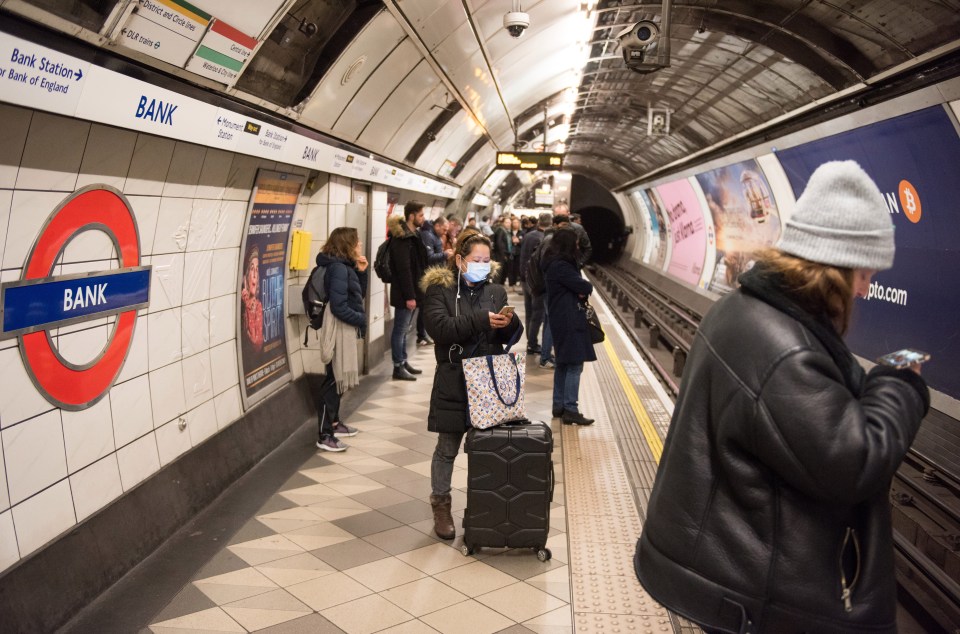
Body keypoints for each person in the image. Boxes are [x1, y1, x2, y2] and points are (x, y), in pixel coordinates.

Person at [634, 161, 930, 633]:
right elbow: (853, 461)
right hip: (757, 592)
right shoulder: (782, 351)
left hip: (722, 568)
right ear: (835, 265)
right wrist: (900, 383)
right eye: (865, 273)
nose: (867, 288)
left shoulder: (740, 308)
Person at [420, 230, 522, 539]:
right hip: (454, 378)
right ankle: (441, 505)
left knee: (486, 449)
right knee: (447, 447)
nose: (482, 265)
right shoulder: (440, 290)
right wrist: (480, 320)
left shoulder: (496, 292)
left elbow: (505, 337)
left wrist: (510, 325)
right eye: (476, 260)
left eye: (487, 260)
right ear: (460, 260)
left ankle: (484, 506)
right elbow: (440, 328)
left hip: (487, 380)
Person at [308, 227, 368, 452]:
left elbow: (357, 295)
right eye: (357, 241)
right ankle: (324, 435)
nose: (360, 245)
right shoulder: (338, 269)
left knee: (336, 379)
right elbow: (340, 306)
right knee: (332, 383)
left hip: (343, 330)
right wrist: (360, 320)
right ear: (347, 245)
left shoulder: (345, 267)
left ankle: (333, 423)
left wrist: (362, 272)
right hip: (338, 331)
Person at [542, 227, 596, 425]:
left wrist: (579, 288)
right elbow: (584, 286)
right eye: (575, 243)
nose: (578, 246)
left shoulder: (554, 262)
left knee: (563, 363)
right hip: (569, 318)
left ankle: (559, 406)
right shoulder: (561, 265)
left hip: (561, 316)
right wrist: (583, 288)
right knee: (574, 363)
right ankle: (570, 409)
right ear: (568, 244)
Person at [388, 201, 429, 381]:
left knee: (404, 329)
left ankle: (403, 362)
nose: (423, 218)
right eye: (420, 215)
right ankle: (398, 367)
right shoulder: (401, 238)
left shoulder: (413, 235)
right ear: (411, 216)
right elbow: (404, 270)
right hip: (404, 294)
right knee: (400, 329)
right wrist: (410, 296)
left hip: (412, 291)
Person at [417, 216, 453, 346]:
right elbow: (429, 257)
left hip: (435, 276)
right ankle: (421, 334)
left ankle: (425, 333)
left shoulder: (434, 235)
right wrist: (445, 255)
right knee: (425, 307)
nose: (445, 232)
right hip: (428, 277)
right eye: (444, 229)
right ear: (437, 226)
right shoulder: (427, 235)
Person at [519, 212, 551, 356]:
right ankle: (532, 344)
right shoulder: (543, 239)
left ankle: (529, 340)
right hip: (535, 281)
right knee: (538, 314)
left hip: (524, 279)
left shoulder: (528, 235)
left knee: (529, 311)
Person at [240, 246, 264, 355]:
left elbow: (257, 343)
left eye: (257, 270)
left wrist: (249, 307)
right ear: (245, 276)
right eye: (251, 269)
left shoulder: (257, 306)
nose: (254, 275)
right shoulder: (240, 305)